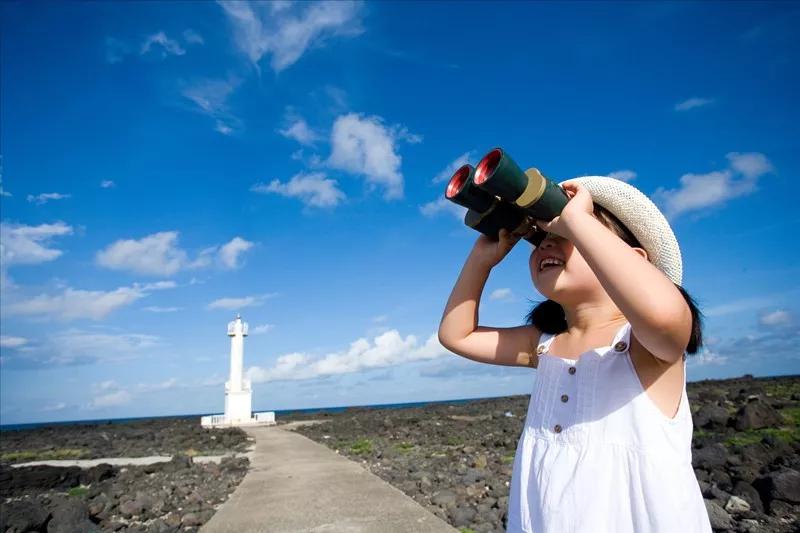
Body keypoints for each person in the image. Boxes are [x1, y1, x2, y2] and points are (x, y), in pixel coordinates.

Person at [438, 175, 713, 532]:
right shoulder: (543, 345)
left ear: (635, 260)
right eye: (541, 239)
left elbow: (662, 313)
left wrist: (578, 221)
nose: (547, 244)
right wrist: (481, 259)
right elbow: (456, 335)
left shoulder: (645, 345)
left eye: (566, 236)